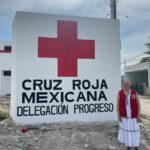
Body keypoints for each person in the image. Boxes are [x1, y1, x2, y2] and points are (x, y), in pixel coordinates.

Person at [117, 79, 141, 150]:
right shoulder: (120, 93)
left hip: (134, 117)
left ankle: (136, 145)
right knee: (127, 132)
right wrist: (118, 115)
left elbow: (138, 104)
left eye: (127, 83)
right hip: (124, 117)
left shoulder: (134, 93)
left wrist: (138, 115)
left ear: (129, 84)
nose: (126, 85)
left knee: (135, 131)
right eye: (125, 83)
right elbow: (118, 105)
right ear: (123, 84)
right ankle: (129, 145)